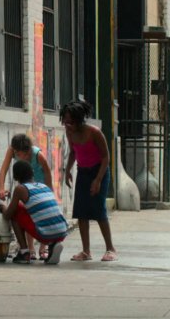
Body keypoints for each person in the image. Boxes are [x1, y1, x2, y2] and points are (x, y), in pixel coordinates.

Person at [60, 100, 118, 262]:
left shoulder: (94, 132)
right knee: (81, 211)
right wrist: (68, 171)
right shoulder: (70, 133)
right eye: (65, 122)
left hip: (99, 171)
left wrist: (98, 180)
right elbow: (73, 152)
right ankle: (86, 251)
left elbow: (106, 157)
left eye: (70, 122)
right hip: (83, 172)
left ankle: (110, 249)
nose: (67, 125)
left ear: (79, 120)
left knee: (99, 210)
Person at [0, 160, 67, 265]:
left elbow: (8, 215)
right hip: (62, 231)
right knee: (31, 210)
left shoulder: (20, 189)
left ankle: (24, 252)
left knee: (16, 210)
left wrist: (3, 208)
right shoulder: (44, 186)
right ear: (32, 173)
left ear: (16, 177)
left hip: (45, 235)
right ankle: (53, 245)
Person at [0, 134, 52, 260]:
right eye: (16, 153)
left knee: (41, 214)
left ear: (27, 151)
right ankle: (31, 249)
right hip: (26, 184)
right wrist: (1, 187)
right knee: (27, 214)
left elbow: (47, 171)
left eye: (20, 154)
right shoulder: (13, 150)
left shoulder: (38, 155)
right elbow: (3, 169)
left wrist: (49, 191)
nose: (18, 156)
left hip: (40, 184)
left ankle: (44, 248)